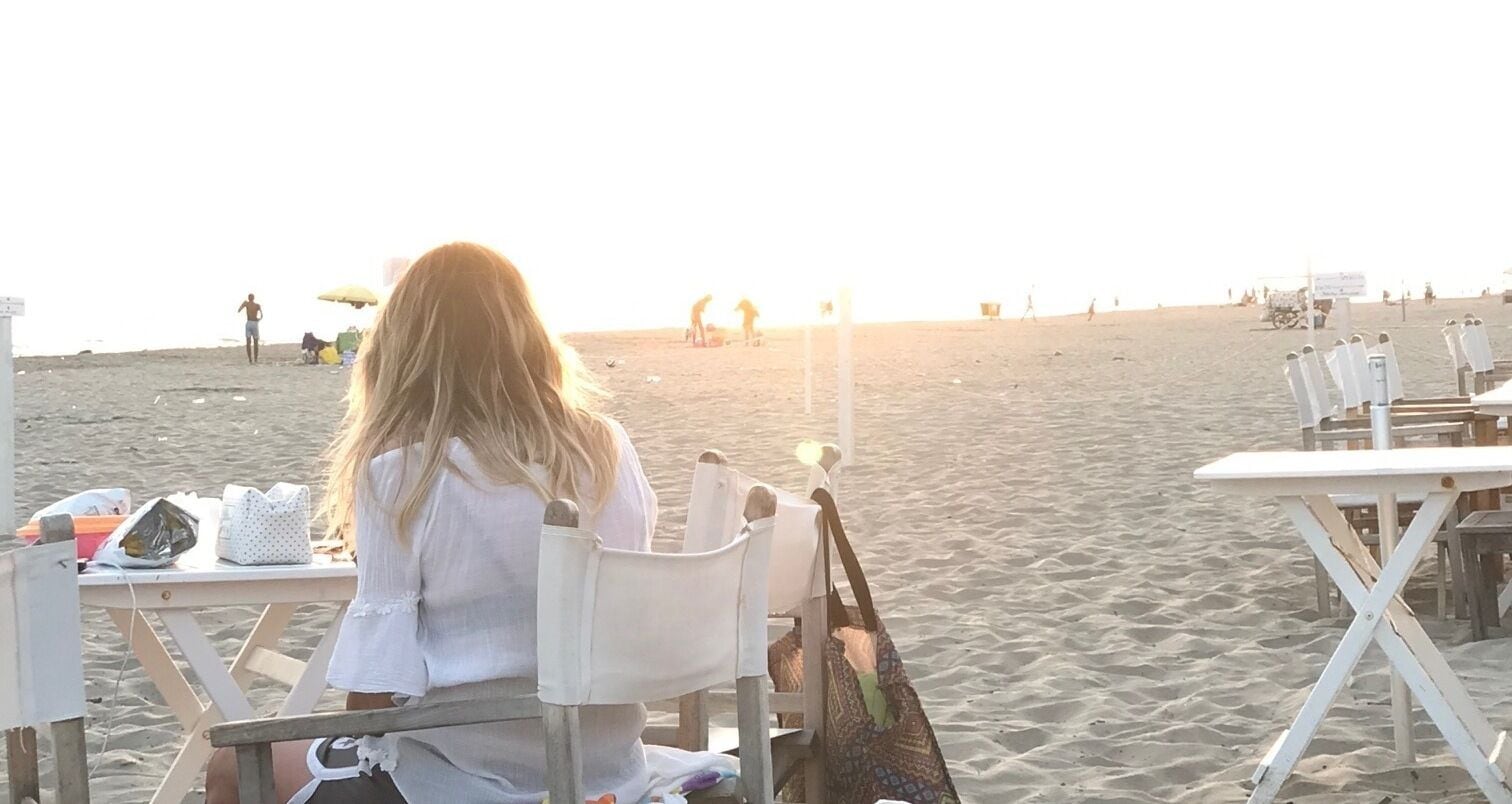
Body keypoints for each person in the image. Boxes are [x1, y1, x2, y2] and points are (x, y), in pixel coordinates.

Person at [205, 243, 657, 804]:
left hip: (458, 779)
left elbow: (372, 699)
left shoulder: (402, 474)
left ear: (402, 352)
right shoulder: (608, 449)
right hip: (608, 771)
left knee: (230, 766)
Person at [237, 293, 263, 364]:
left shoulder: (247, 303)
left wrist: (243, 304)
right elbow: (261, 315)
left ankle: (250, 359)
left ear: (248, 298)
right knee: (255, 342)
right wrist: (258, 319)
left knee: (248, 342)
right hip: (254, 323)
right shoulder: (257, 305)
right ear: (253, 298)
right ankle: (255, 359)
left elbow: (239, 310)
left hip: (249, 323)